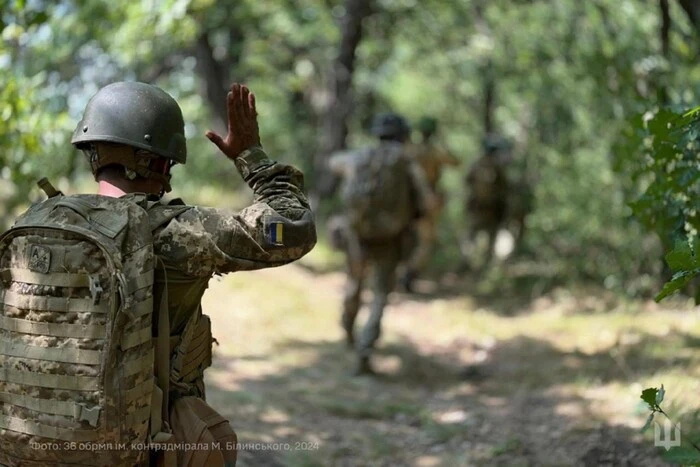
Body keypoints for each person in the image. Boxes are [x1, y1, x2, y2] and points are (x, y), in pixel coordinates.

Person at [0, 81, 316, 466]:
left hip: (25, 442)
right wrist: (252, 155)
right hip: (146, 443)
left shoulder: (34, 224)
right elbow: (293, 226)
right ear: (163, 162)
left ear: (93, 153)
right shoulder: (178, 232)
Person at [328, 112, 433, 375]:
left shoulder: (359, 156)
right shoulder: (407, 161)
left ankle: (348, 331)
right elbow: (428, 202)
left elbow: (334, 163)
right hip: (389, 237)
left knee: (355, 284)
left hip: (358, 233)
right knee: (380, 295)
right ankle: (365, 349)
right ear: (404, 135)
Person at [400, 116, 460, 292]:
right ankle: (408, 275)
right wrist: (443, 141)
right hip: (426, 202)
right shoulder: (434, 151)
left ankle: (401, 274)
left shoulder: (410, 149)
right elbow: (456, 162)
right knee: (426, 242)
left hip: (406, 202)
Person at [462, 133, 509, 273]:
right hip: (482, 207)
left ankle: (478, 266)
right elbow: (504, 187)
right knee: (476, 236)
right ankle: (472, 265)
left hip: (488, 208)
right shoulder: (491, 165)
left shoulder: (481, 164)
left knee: (480, 236)